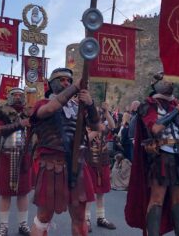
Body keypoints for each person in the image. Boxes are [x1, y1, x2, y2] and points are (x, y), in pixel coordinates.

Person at [125, 73, 179, 236]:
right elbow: (155, 128)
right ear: (155, 84)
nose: (170, 83)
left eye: (171, 80)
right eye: (165, 80)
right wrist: (176, 112)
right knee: (157, 199)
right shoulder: (148, 104)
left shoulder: (176, 104)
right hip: (161, 156)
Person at [29, 68, 99, 236]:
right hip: (53, 166)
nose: (66, 83)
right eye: (62, 80)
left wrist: (90, 105)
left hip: (77, 166)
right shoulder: (42, 104)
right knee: (43, 217)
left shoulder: (78, 106)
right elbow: (50, 110)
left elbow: (96, 127)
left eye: (68, 80)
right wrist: (75, 87)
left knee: (80, 217)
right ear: (52, 84)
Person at [0, 88, 32, 236]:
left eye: (21, 95)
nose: (18, 97)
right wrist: (20, 124)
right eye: (15, 95)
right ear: (9, 97)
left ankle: (23, 224)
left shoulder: (28, 113)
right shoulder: (1, 112)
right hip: (6, 155)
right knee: (5, 193)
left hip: (24, 156)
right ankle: (3, 226)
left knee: (23, 193)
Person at [85, 102, 116, 232]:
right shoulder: (85, 124)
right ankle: (86, 219)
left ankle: (101, 217)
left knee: (101, 192)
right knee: (89, 192)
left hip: (102, 161)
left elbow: (113, 126)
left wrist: (107, 112)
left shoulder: (103, 123)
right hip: (89, 162)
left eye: (99, 112)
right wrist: (98, 129)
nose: (97, 114)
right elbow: (85, 139)